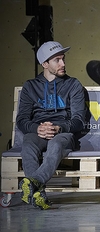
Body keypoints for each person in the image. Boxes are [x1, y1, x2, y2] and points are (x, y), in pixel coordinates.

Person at [17, 41, 87, 210]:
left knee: (55, 143)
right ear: (45, 64)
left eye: (63, 59)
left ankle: (35, 182)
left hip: (63, 132)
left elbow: (79, 120)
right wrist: (37, 128)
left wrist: (59, 128)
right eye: (57, 60)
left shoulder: (73, 85)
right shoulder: (30, 86)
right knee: (28, 144)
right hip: (38, 131)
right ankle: (39, 195)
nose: (63, 64)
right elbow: (22, 119)